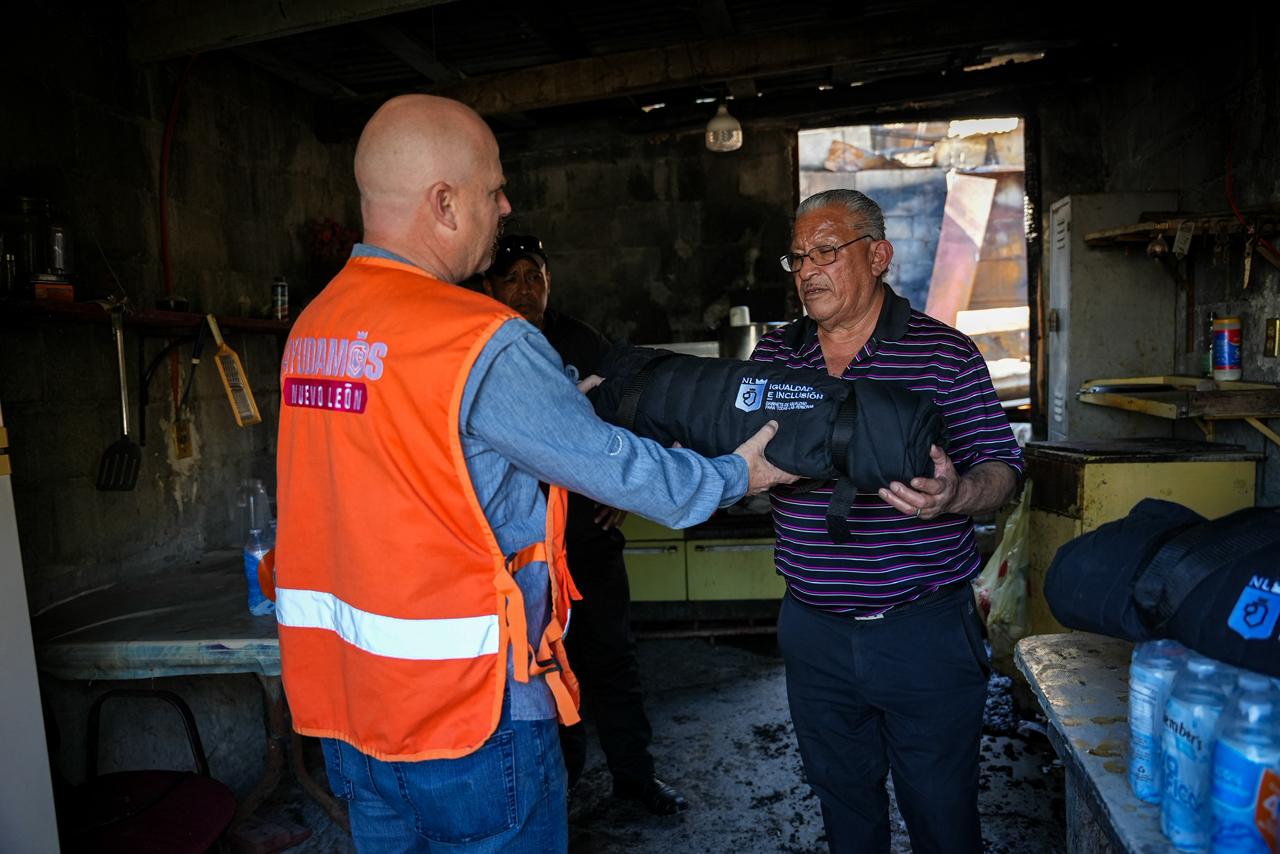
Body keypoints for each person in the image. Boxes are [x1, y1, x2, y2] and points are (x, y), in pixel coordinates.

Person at [273, 94, 797, 853]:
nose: (506, 203)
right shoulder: (480, 338)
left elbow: (408, 466)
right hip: (468, 712)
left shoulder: (314, 330)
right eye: (494, 189)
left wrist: (549, 416)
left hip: (351, 717)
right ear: (444, 203)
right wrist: (733, 474)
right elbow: (622, 471)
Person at [752, 188, 1024, 854]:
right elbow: (734, 467)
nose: (807, 269)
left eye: (825, 251)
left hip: (922, 633)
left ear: (878, 255)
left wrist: (956, 495)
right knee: (844, 809)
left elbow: (1003, 471)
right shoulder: (773, 360)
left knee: (941, 812)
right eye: (797, 257)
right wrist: (738, 477)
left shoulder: (943, 355)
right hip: (813, 632)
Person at [483, 233, 687, 815]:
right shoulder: (482, 346)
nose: (525, 287)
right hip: (524, 553)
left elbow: (630, 400)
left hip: (588, 541)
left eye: (535, 275)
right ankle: (561, 789)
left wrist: (619, 487)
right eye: (512, 277)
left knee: (613, 660)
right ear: (489, 287)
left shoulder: (577, 340)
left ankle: (635, 779)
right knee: (547, 669)